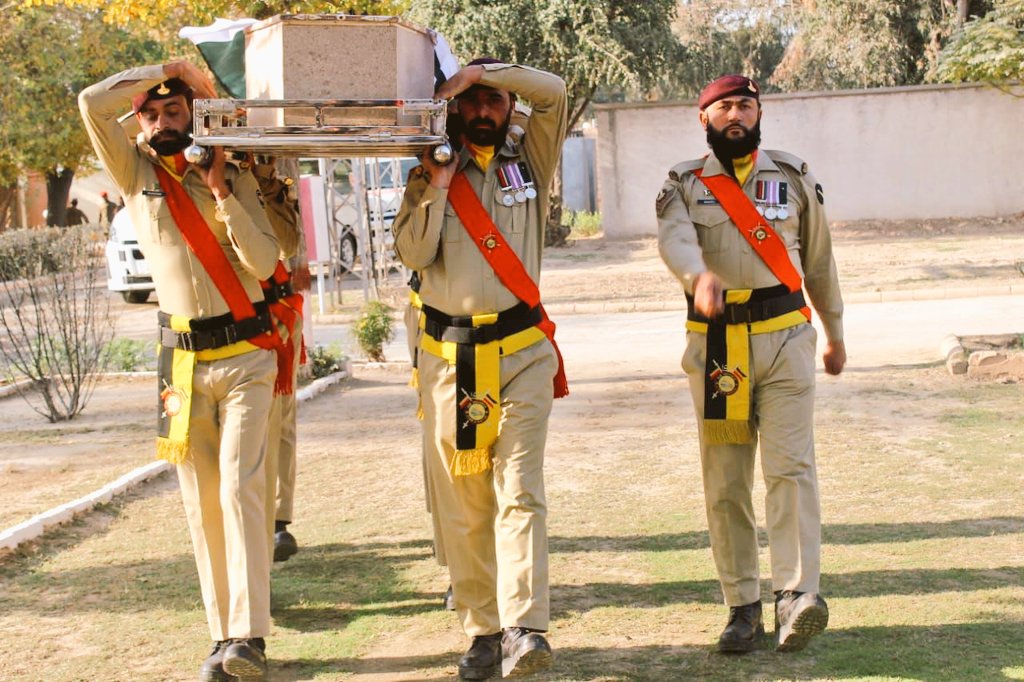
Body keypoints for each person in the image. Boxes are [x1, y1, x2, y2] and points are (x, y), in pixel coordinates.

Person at [80, 62, 284, 682]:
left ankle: (249, 637)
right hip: (183, 362)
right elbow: (92, 102)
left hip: (247, 355)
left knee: (239, 489)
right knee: (201, 504)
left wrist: (221, 190)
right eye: (153, 114)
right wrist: (165, 71)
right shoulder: (134, 172)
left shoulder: (233, 172)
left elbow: (267, 259)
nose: (166, 122)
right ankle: (222, 636)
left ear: (193, 117)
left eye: (176, 111)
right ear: (139, 125)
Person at [655, 74, 846, 655]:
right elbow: (675, 240)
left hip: (787, 336)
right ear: (704, 119)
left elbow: (820, 261)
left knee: (791, 470)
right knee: (727, 481)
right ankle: (742, 606)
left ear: (758, 112)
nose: (734, 115)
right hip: (718, 348)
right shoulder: (683, 183)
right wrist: (698, 276)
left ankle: (796, 598)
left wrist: (835, 334)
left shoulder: (792, 175)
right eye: (722, 108)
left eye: (744, 105)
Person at [393, 58, 568, 680]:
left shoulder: (531, 156)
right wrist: (438, 186)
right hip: (451, 359)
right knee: (467, 505)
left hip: (522, 352)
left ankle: (526, 628)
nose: (486, 111)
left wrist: (481, 73)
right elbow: (412, 252)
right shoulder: (426, 173)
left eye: (495, 101)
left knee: (520, 492)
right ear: (455, 113)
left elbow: (553, 92)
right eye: (473, 103)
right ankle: (483, 630)